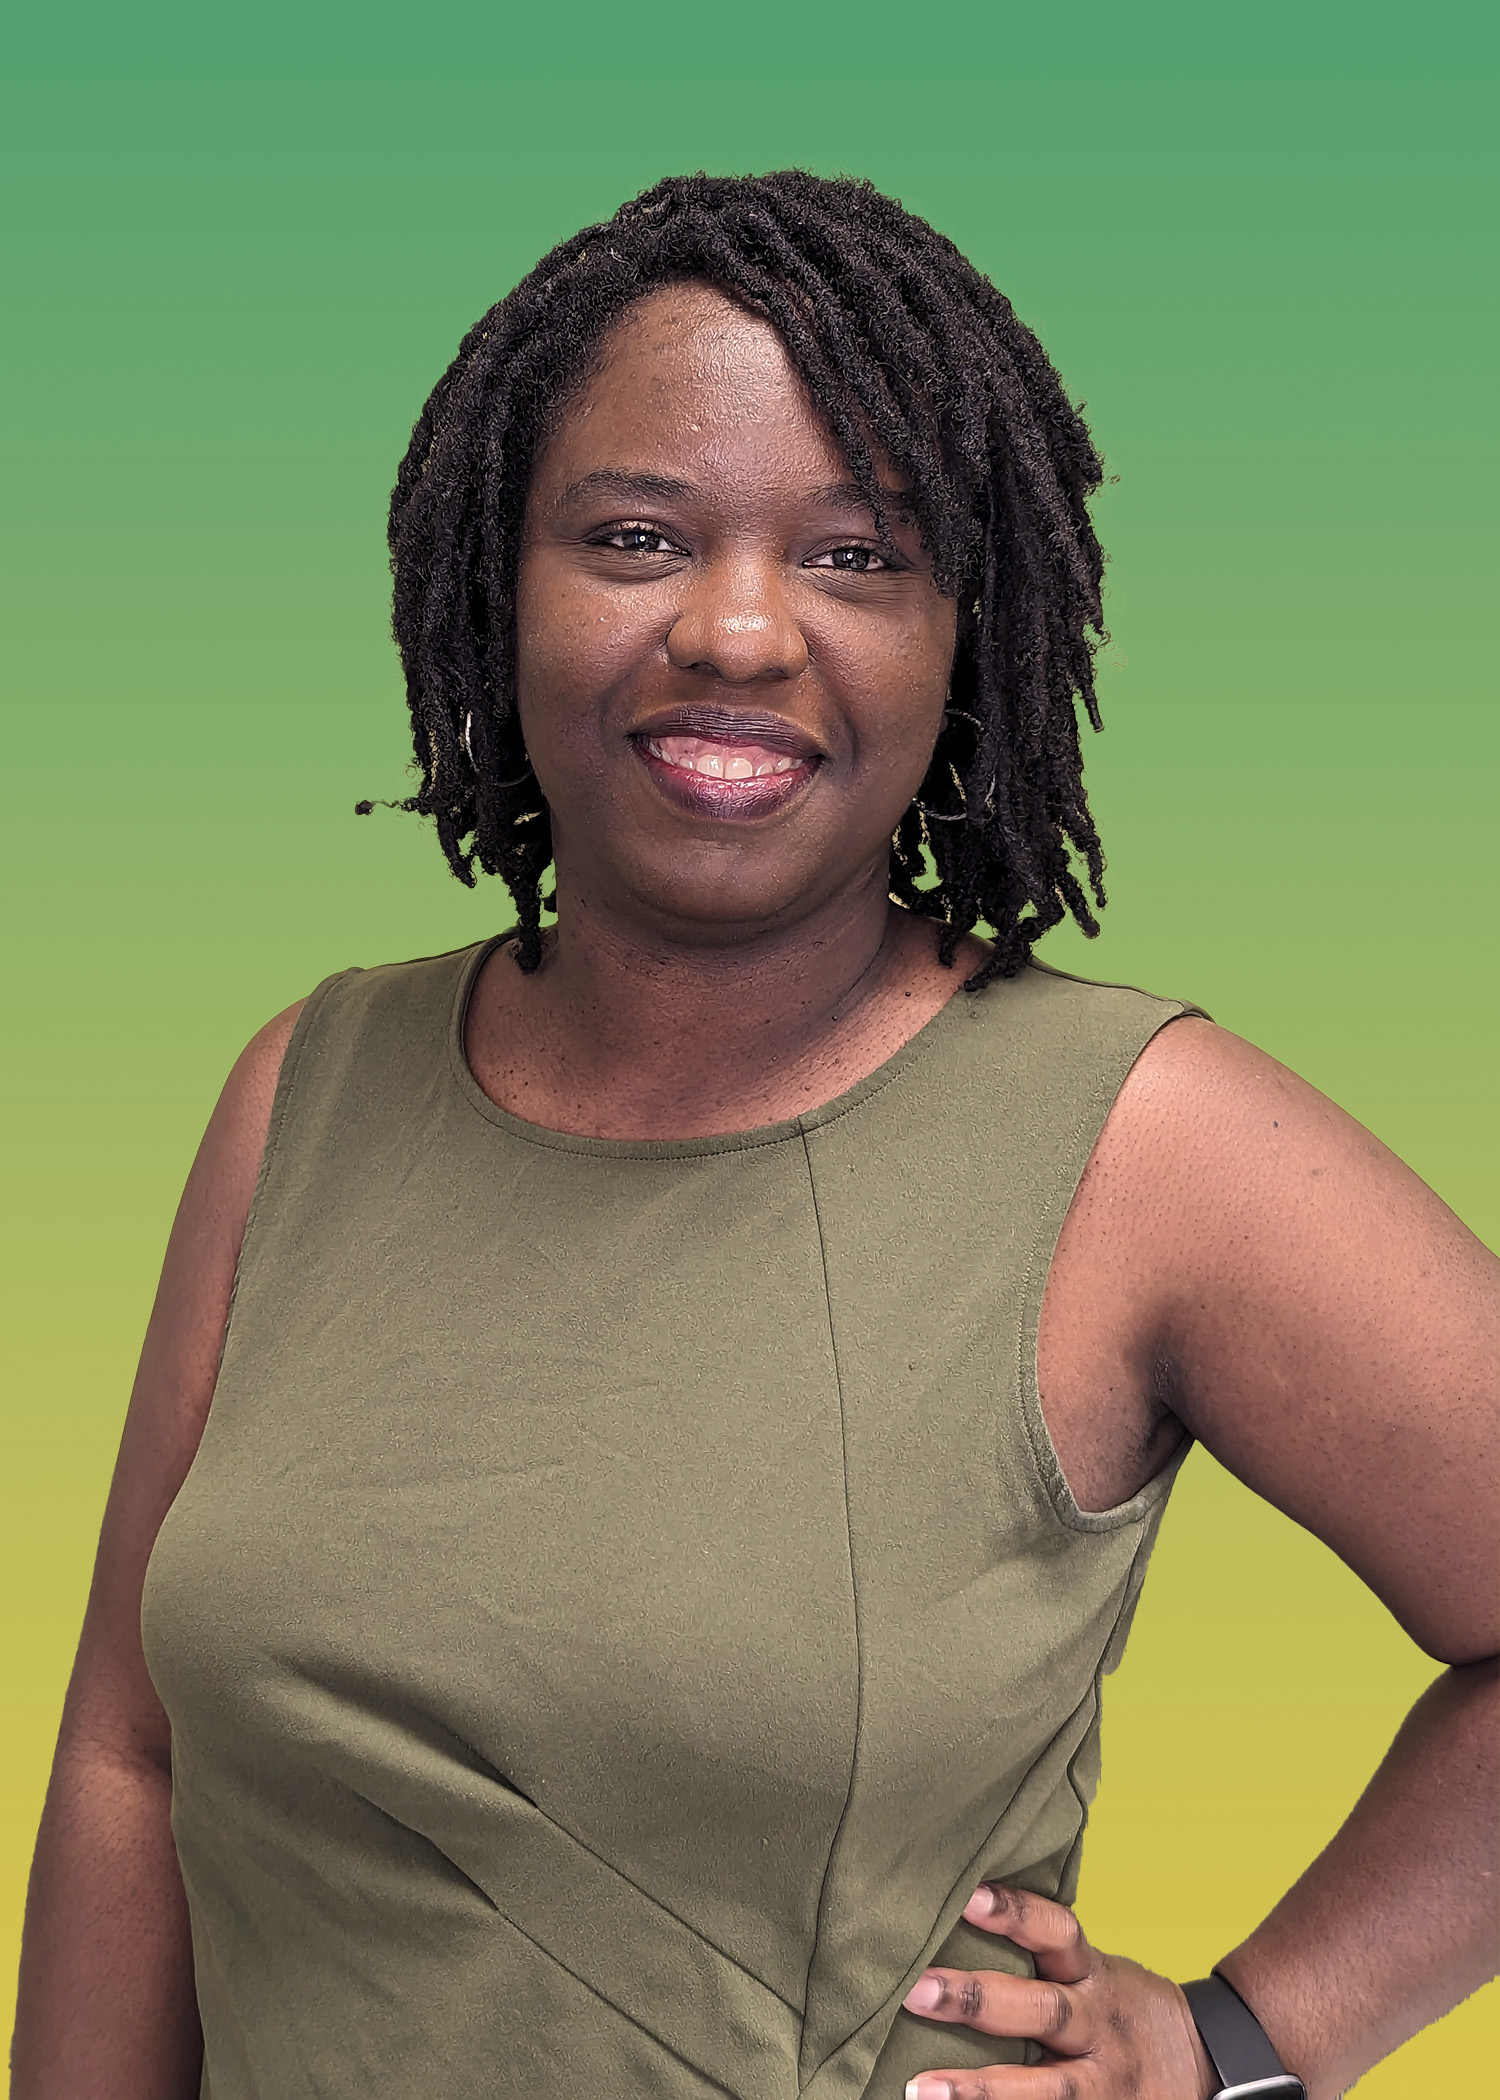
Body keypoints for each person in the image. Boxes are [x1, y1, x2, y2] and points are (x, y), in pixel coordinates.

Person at [12, 172, 1495, 2100]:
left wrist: (1242, 2041)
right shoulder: (309, 1088)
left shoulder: (1144, 1146)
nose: (737, 628)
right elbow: (132, 1759)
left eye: (859, 555)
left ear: (968, 631)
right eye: (636, 534)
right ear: (499, 581)